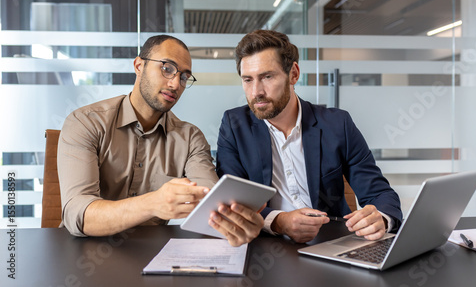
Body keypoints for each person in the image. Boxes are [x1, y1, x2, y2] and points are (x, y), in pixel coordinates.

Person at [58, 34, 263, 246]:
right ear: (139, 65)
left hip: (152, 253)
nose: (175, 84)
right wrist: (153, 203)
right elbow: (77, 214)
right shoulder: (86, 122)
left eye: (184, 77)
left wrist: (236, 221)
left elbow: (208, 202)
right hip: (84, 254)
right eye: (167, 68)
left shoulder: (191, 138)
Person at [216, 30, 403, 243]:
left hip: (331, 242)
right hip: (265, 245)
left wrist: (382, 218)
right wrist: (279, 222)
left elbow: (380, 193)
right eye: (248, 80)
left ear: (293, 74)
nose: (256, 91)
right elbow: (232, 203)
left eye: (267, 77)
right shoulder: (234, 125)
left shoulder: (337, 124)